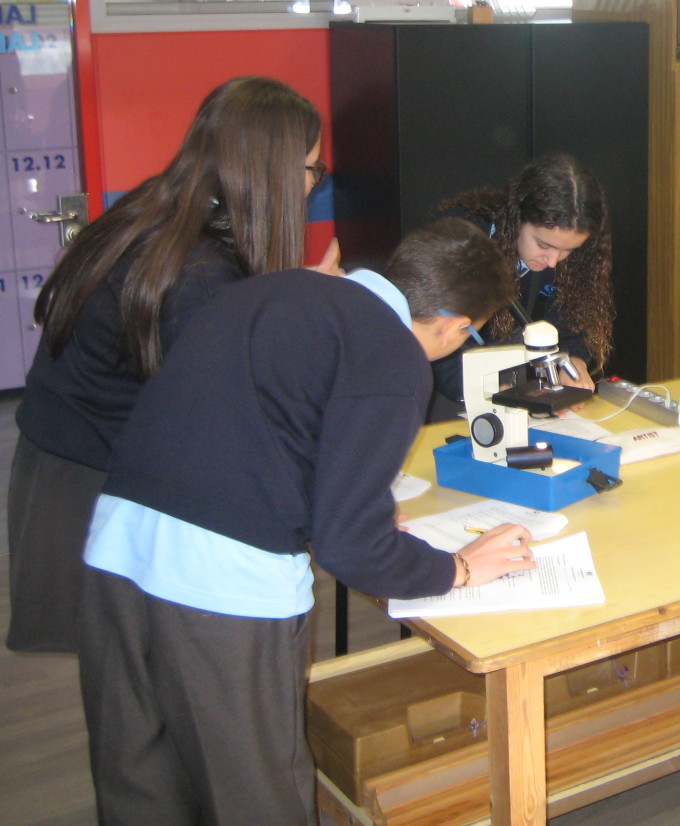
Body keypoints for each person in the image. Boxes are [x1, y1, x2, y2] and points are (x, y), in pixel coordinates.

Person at [77, 218, 531, 826]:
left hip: (116, 548)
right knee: (254, 795)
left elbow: (252, 424)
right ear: (455, 324)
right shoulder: (393, 354)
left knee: (141, 779)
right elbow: (351, 549)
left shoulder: (273, 288)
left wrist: (344, 502)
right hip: (222, 587)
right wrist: (458, 567)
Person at [7, 75, 338, 654]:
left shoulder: (165, 211)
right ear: (267, 172)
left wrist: (288, 295)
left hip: (74, 460)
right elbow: (227, 422)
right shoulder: (199, 273)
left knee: (134, 697)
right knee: (152, 681)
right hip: (94, 488)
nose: (314, 184)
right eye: (312, 170)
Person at [431, 153, 614, 414]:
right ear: (516, 218)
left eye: (568, 251)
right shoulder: (458, 246)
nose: (553, 261)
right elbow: (438, 351)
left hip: (512, 388)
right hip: (444, 397)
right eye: (543, 245)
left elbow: (571, 317)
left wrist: (573, 361)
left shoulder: (562, 256)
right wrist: (509, 393)